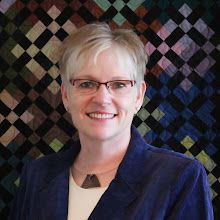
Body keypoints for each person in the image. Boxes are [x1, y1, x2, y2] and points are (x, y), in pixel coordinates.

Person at [9, 23, 214, 220]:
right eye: (86, 84)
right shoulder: (36, 176)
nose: (101, 99)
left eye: (118, 84)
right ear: (65, 95)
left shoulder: (179, 177)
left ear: (138, 96)